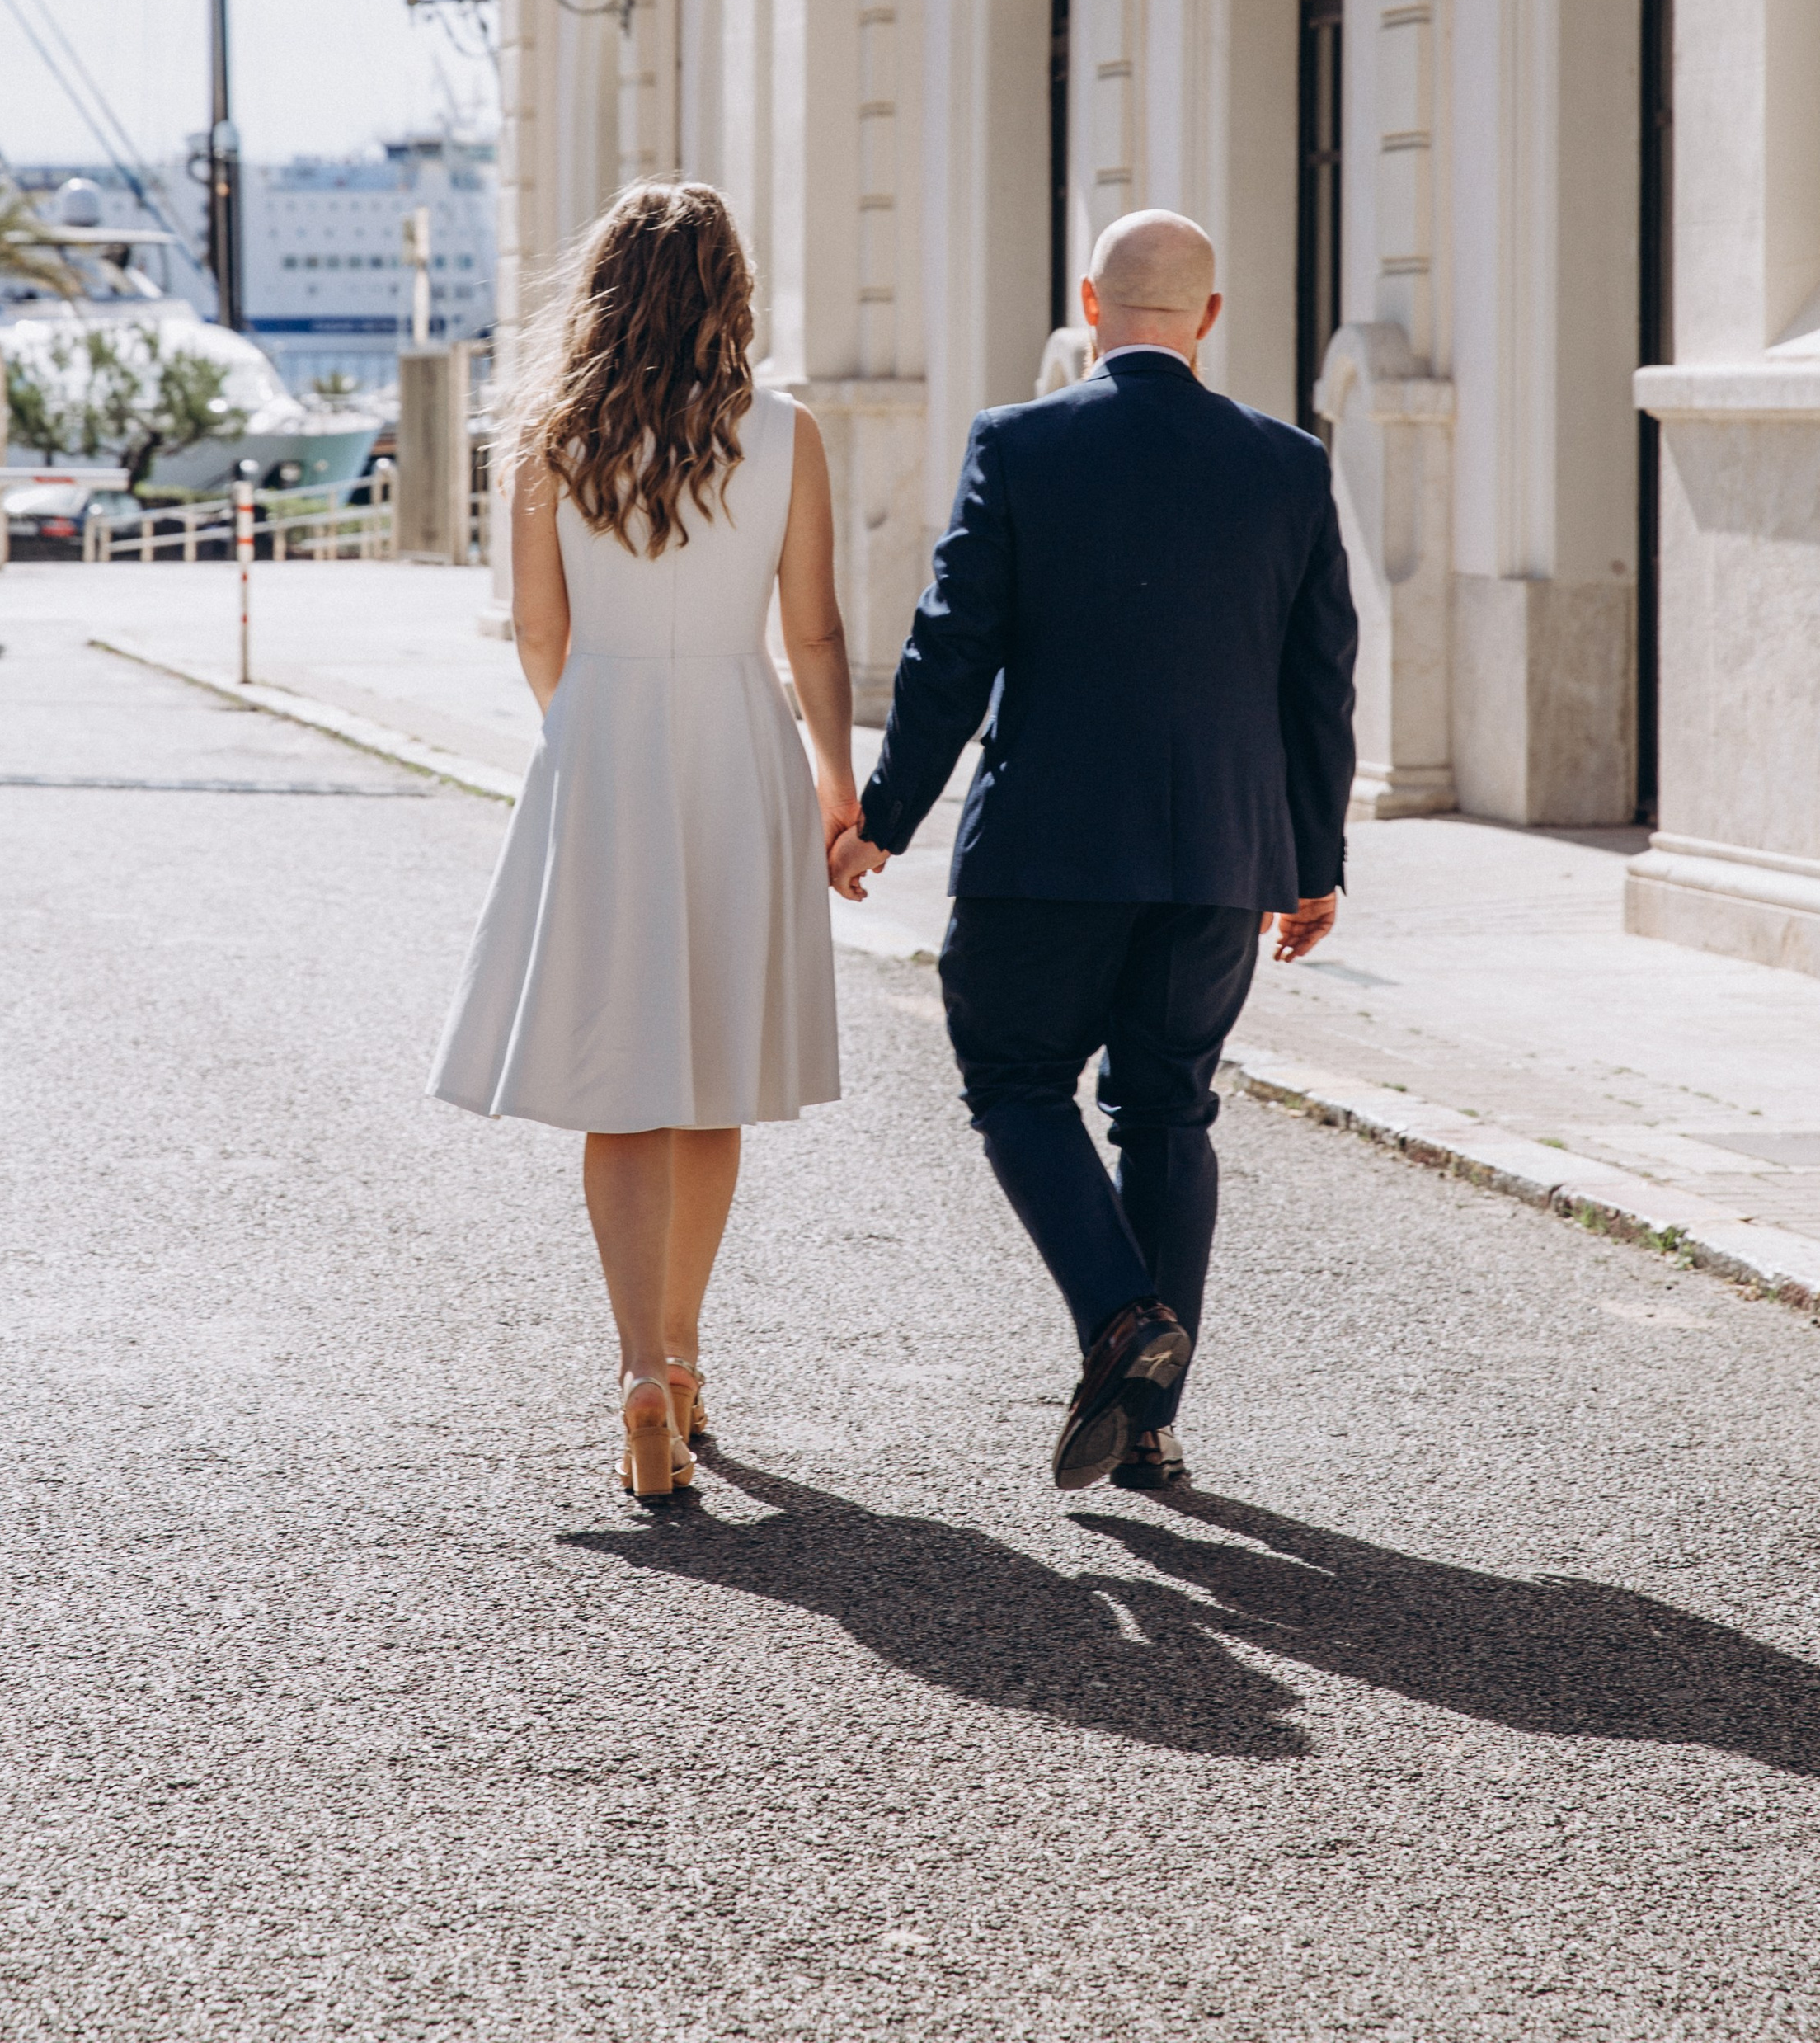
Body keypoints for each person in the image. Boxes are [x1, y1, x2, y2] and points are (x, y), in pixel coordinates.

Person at [830, 209, 1356, 1494]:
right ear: (1210, 318)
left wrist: (882, 816)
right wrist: (1314, 861)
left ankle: (1125, 1318)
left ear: (1088, 303)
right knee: (1167, 1109)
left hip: (1046, 851)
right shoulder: (1287, 466)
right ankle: (1153, 1423)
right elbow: (1321, 681)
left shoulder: (1019, 444)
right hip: (1220, 858)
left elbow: (951, 647)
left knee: (1015, 1082)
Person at [430, 182, 858, 1500]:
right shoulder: (786, 434)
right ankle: (680, 1358)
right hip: (737, 740)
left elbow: (539, 634)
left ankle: (632, 1370)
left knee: (623, 1071)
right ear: (732, 290)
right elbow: (816, 633)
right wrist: (841, 787)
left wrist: (585, 739)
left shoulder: (550, 441)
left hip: (602, 746)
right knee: (710, 1070)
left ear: (602, 290)